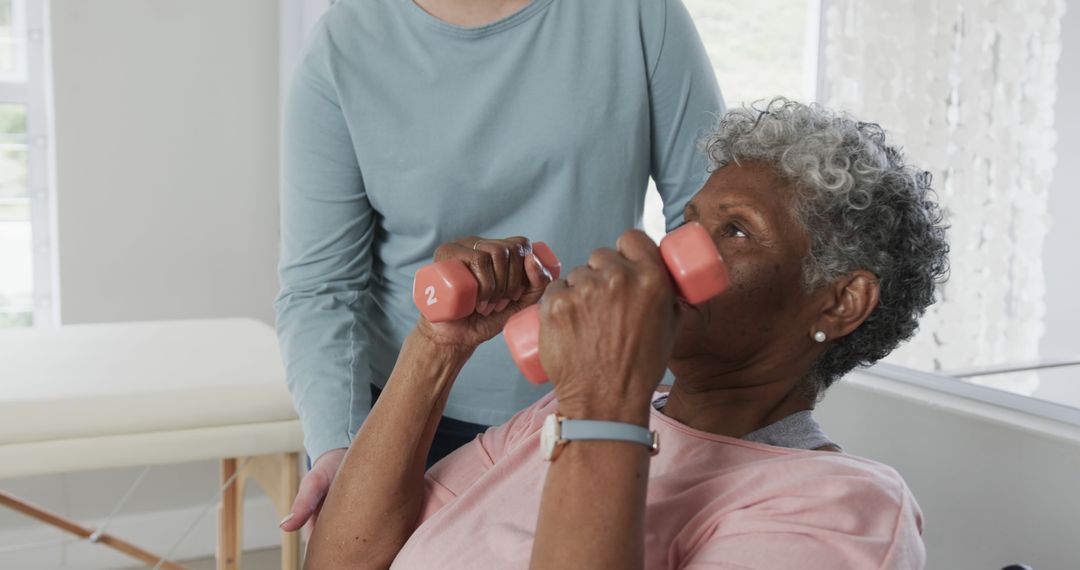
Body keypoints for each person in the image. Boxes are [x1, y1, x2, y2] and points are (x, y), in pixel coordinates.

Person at [303, 99, 948, 569]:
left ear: (841, 302)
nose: (675, 248)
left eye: (738, 231)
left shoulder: (843, 509)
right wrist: (438, 346)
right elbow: (342, 561)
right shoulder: (558, 415)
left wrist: (604, 397)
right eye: (688, 222)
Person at [274, 0, 723, 532]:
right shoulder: (343, 46)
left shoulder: (637, 13)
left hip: (616, 400)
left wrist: (718, 404)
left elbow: (714, 224)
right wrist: (339, 446)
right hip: (419, 422)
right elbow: (321, 287)